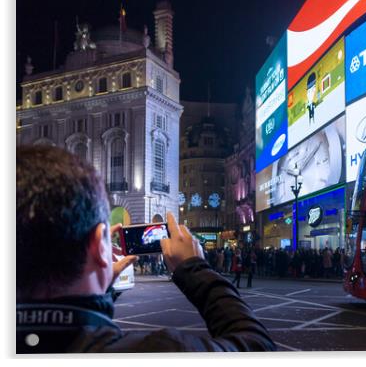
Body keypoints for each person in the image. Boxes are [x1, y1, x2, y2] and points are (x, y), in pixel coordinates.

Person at [16, 145, 275, 353]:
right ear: (98, 246)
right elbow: (256, 347)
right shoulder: (156, 352)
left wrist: (99, 286)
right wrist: (196, 269)